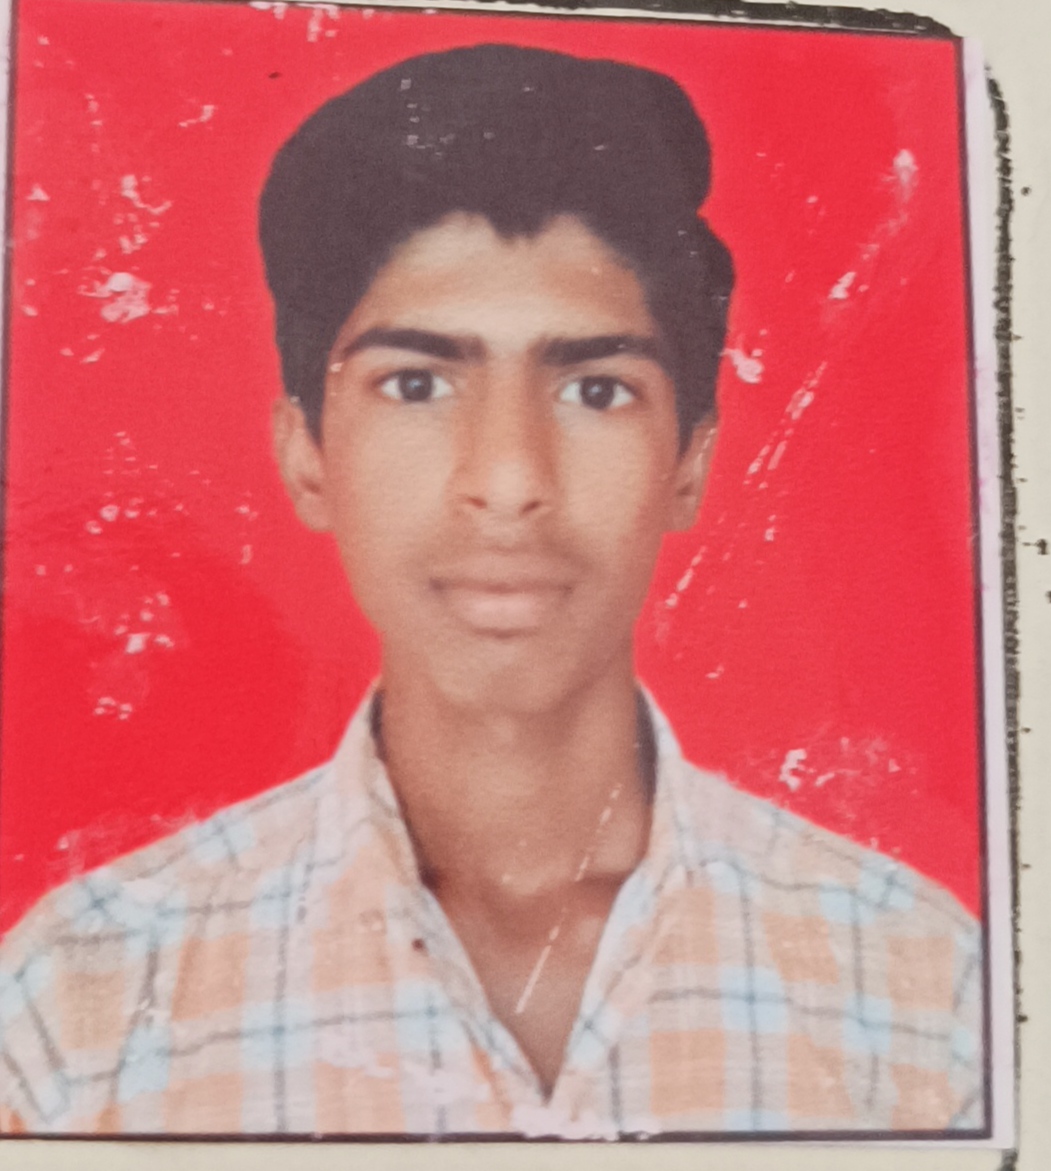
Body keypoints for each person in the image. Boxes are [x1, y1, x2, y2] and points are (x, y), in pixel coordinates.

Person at [0, 44, 982, 1137]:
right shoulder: (78, 1010)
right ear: (306, 453)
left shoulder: (918, 990)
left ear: (691, 461)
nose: (509, 480)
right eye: (416, 382)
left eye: (595, 389)